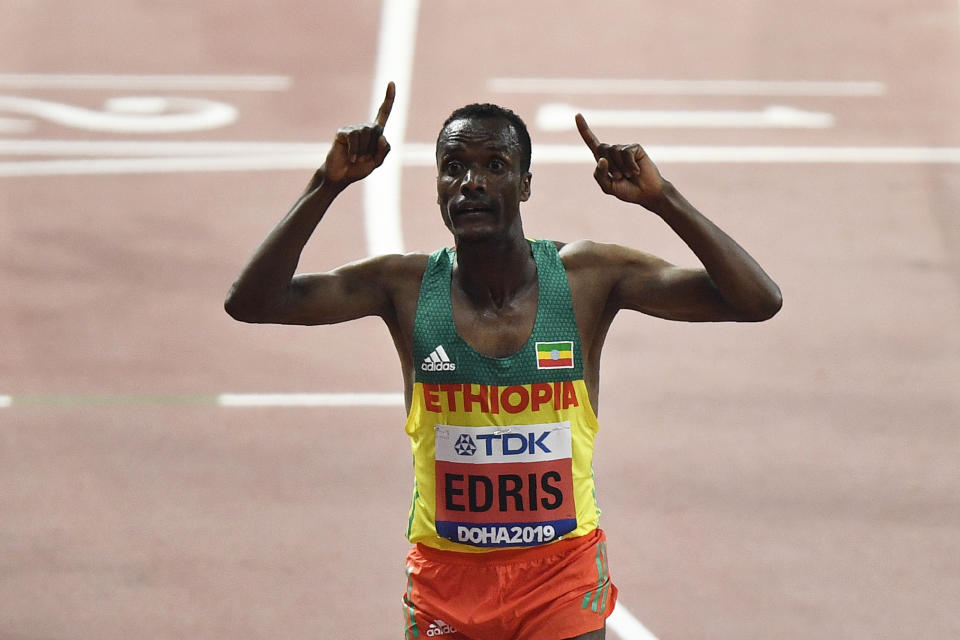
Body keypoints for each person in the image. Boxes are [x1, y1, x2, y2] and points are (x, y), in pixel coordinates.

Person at [224, 82, 782, 640]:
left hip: (560, 577)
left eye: (495, 164)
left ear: (525, 183)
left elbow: (757, 300)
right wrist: (326, 185)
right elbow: (252, 302)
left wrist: (664, 199)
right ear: (438, 187)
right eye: (453, 167)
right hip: (447, 583)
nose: (472, 183)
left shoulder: (586, 277)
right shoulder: (405, 286)